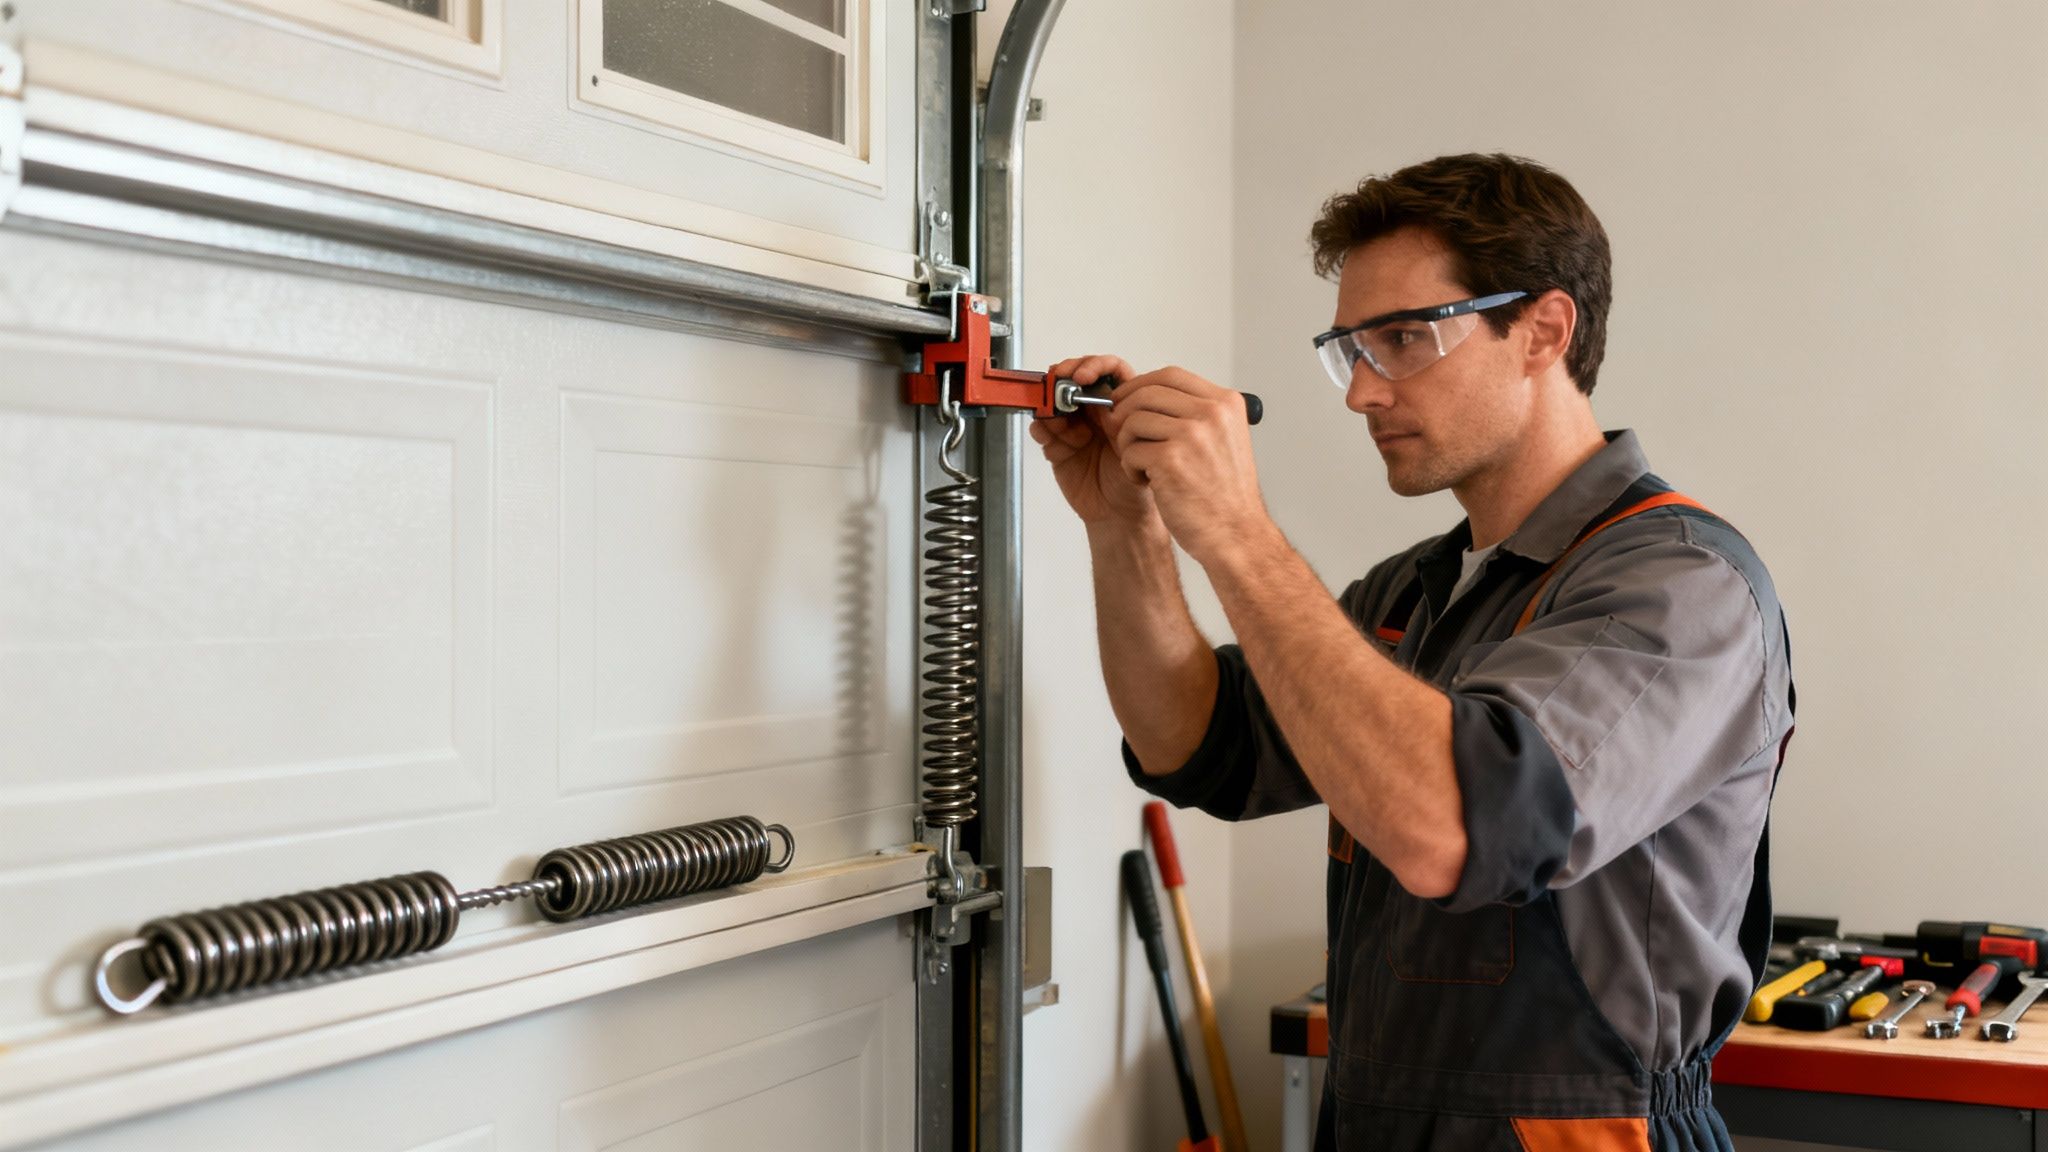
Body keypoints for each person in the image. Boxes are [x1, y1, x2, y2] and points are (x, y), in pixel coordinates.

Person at [1029, 153, 1795, 1152]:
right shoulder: (1414, 593)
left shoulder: (1679, 583)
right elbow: (1195, 744)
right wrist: (1121, 526)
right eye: (1348, 347)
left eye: (1401, 339)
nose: (1359, 393)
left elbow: (1454, 828)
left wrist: (1235, 532)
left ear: (1542, 331)